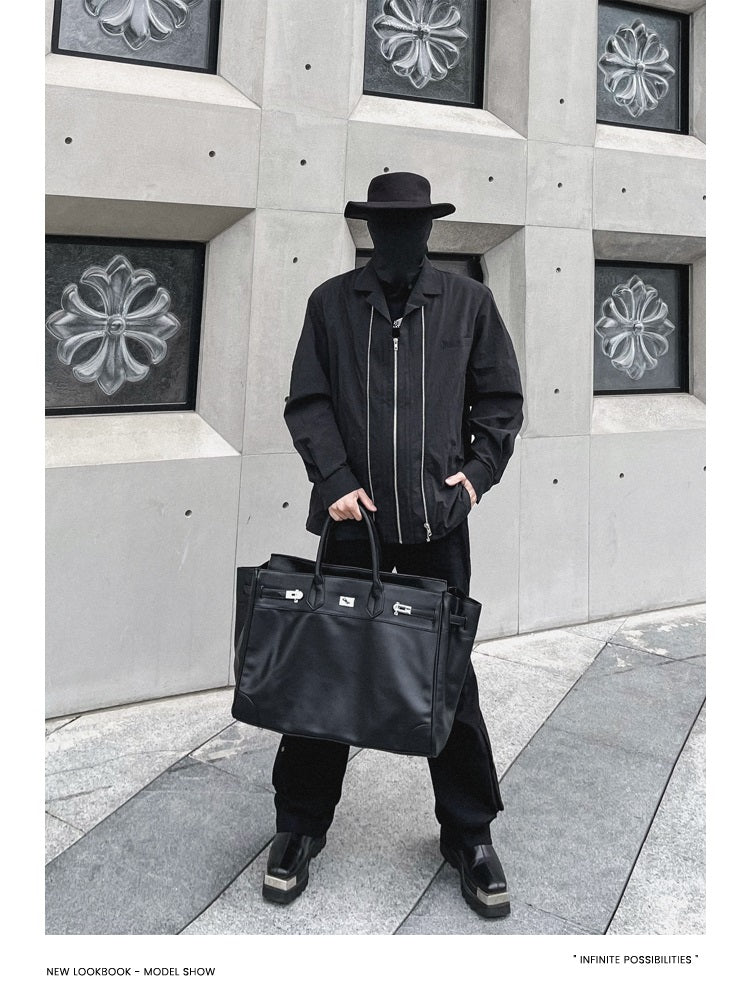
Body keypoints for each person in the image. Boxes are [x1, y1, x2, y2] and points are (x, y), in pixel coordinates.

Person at [264, 172, 524, 919]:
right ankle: (299, 825)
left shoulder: (468, 303)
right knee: (327, 671)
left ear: (429, 229)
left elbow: (500, 402)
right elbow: (308, 401)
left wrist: (475, 478)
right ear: (370, 230)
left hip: (439, 527)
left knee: (448, 679)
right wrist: (334, 481)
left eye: (412, 224)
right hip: (355, 527)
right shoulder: (330, 304)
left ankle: (469, 834)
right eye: (386, 224)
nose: (399, 236)